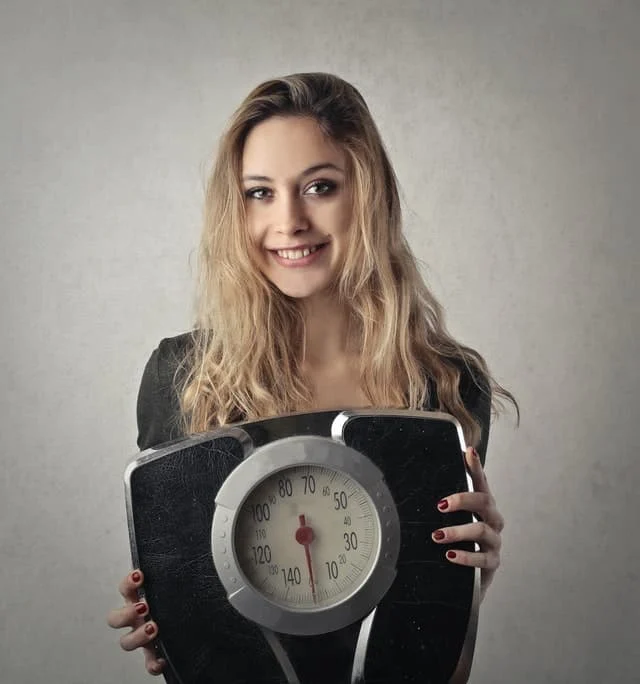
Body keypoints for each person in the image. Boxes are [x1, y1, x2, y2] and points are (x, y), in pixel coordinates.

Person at [106, 72, 519, 678]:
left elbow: (443, 673)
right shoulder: (185, 377)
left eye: (319, 186)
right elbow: (196, 655)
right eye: (259, 193)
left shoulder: (446, 385)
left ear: (368, 194)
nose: (290, 220)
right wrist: (172, 631)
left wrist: (469, 592)